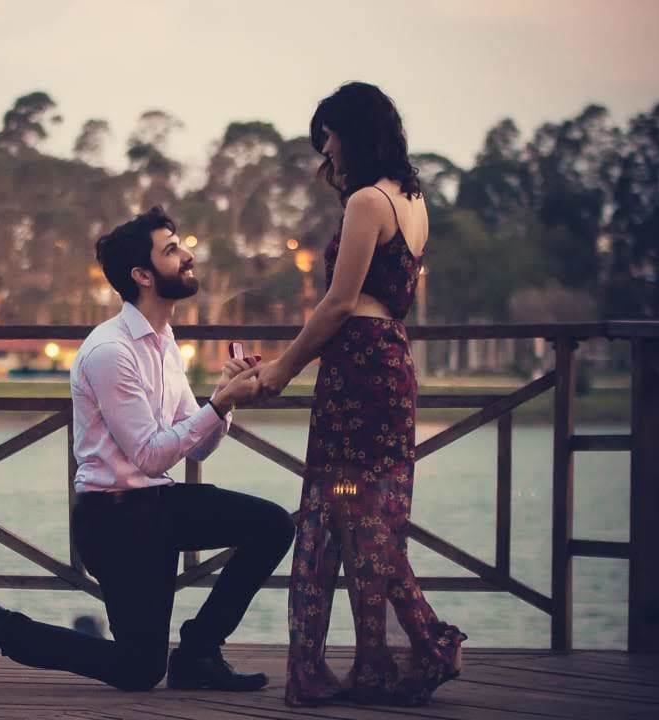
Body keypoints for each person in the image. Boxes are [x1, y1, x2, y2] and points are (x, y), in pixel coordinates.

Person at [0, 206, 295, 692]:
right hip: (115, 520)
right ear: (142, 275)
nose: (187, 255)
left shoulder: (163, 341)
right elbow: (150, 456)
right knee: (139, 670)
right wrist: (216, 405)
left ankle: (198, 652)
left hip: (158, 505)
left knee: (273, 524)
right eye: (171, 250)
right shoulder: (110, 351)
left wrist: (225, 399)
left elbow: (198, 449)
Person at [256, 82, 466, 706]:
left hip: (357, 373)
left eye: (329, 135)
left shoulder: (368, 203)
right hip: (390, 365)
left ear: (353, 132)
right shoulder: (412, 200)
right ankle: (377, 663)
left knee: (344, 511)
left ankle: (421, 643)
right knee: (364, 514)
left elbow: (339, 303)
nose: (326, 149)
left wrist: (284, 367)